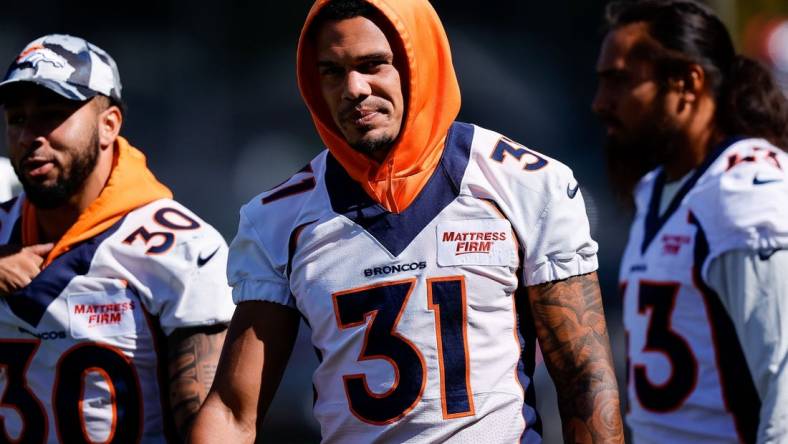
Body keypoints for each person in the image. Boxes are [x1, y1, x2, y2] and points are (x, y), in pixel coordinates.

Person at [191, 0, 624, 442]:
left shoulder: (524, 184)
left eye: (373, 64)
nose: (354, 88)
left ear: (421, 60)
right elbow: (231, 409)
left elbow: (583, 379)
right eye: (332, 71)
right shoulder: (280, 217)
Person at [0, 34, 235, 442]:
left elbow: (213, 425)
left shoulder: (184, 249)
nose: (29, 137)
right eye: (17, 119)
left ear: (109, 125)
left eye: (52, 115)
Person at [592, 1, 788, 442]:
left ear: (686, 83)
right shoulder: (660, 189)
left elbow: (785, 386)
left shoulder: (747, 193)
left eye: (619, 81)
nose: (601, 103)